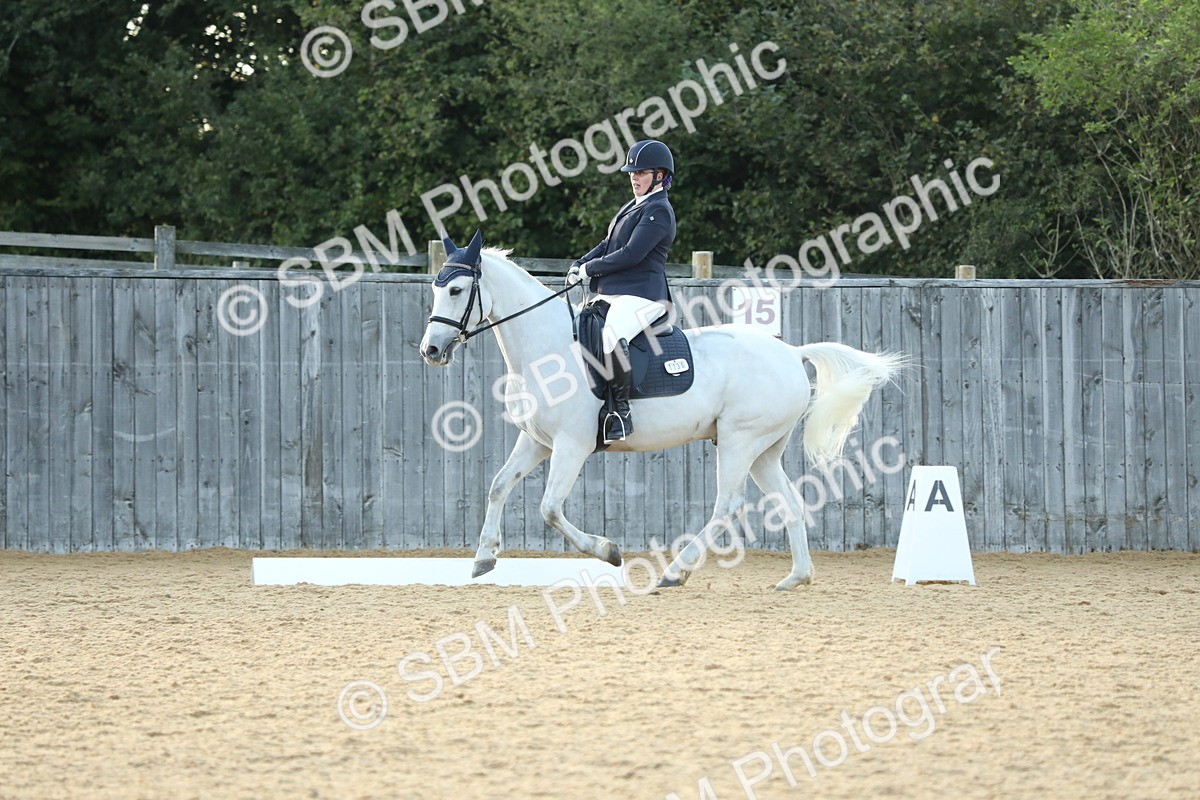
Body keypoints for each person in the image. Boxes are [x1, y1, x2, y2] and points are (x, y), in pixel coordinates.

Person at [567, 138, 677, 443]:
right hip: (614, 292)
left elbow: (631, 254)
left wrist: (590, 270)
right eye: (632, 173)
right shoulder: (634, 206)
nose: (633, 177)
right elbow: (608, 244)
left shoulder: (659, 212)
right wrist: (582, 261)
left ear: (659, 176)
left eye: (640, 173)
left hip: (644, 295)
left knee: (613, 334)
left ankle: (620, 411)